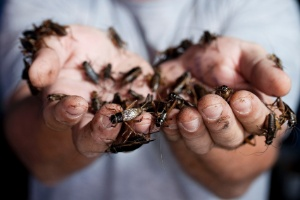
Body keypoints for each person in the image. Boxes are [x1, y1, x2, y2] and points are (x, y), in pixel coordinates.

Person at [1, 0, 300, 199]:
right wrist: (63, 118)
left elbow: (241, 173)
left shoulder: (264, 5)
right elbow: (40, 162)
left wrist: (196, 121)